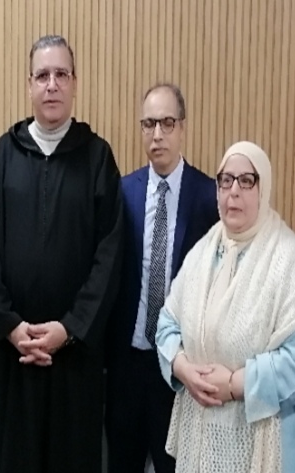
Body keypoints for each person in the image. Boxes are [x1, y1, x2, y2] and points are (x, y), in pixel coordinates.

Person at [0, 35, 124, 473]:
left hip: (75, 360)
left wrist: (70, 328)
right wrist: (10, 326)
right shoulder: (4, 155)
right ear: (29, 85)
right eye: (42, 75)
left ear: (75, 83)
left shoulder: (97, 158)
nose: (52, 84)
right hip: (16, 355)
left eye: (61, 74)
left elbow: (109, 256)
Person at [156, 141, 295, 472]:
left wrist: (236, 384)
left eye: (247, 180)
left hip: (265, 440)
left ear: (264, 188)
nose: (234, 191)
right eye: (226, 180)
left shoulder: (291, 262)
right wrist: (182, 367)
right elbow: (167, 323)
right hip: (201, 437)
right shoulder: (202, 252)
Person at [104, 83, 219, 473]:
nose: (157, 134)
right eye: (149, 124)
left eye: (167, 123)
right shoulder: (122, 193)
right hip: (127, 366)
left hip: (178, 370)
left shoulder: (208, 197)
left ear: (182, 127)